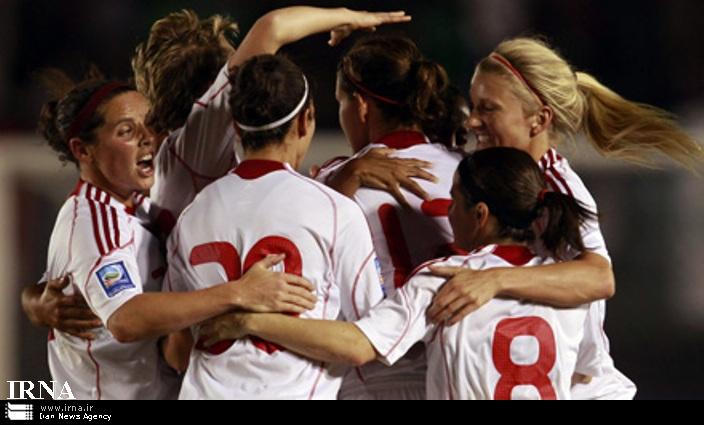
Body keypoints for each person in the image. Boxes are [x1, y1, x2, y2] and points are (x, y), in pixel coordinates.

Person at [23, 6, 411, 349]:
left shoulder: (144, 190)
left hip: (183, 367)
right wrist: (350, 16)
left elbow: (85, 267)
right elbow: (271, 28)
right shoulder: (196, 144)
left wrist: (35, 299)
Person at [199, 147, 595, 400]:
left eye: (454, 200)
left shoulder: (447, 280)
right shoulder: (570, 288)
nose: (447, 211)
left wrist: (249, 321)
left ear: (481, 215)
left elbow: (357, 345)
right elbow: (588, 373)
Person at [427, 37, 702, 399]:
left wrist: (493, 279)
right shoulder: (497, 178)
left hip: (583, 388)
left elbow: (599, 277)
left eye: (489, 108)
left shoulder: (556, 187)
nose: (473, 120)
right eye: (474, 105)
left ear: (539, 120)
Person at [34, 72, 316, 400]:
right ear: (83, 150)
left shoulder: (137, 208)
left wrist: (34, 300)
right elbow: (125, 319)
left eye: (149, 124)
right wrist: (240, 292)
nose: (147, 138)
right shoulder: (94, 221)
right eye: (126, 131)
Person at [166, 54, 384, 399]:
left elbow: (177, 352)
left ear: (236, 128)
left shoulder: (192, 214)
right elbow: (367, 341)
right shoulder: (335, 210)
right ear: (305, 120)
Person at [307, 35, 464, 400]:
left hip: (376, 368)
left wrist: (338, 179)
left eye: (342, 102)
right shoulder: (468, 168)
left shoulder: (334, 180)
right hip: (460, 364)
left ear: (361, 106)